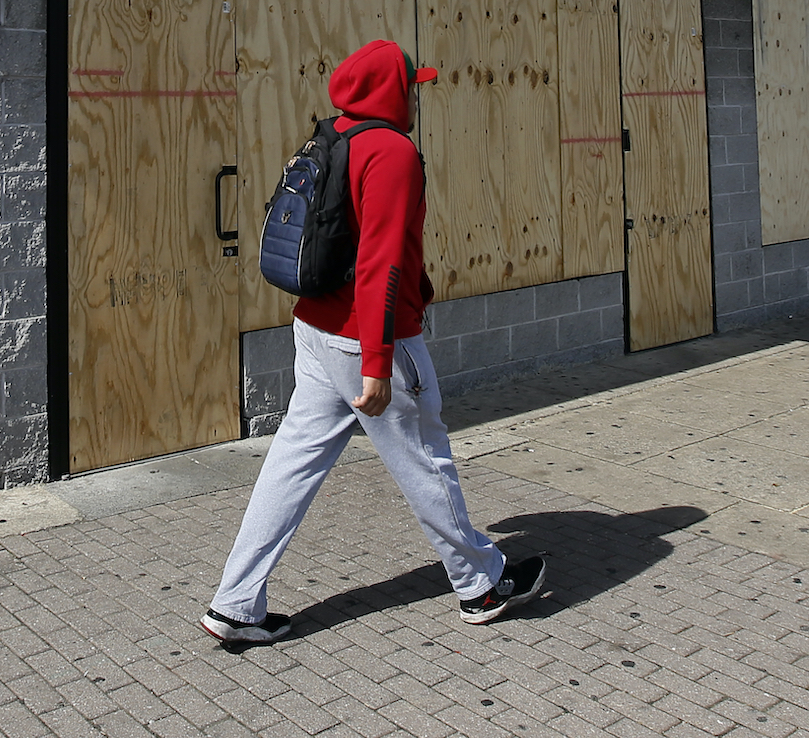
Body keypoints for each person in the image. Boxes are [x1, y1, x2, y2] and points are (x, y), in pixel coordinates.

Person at [201, 39, 549, 646]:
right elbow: (379, 262)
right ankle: (482, 584)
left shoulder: (333, 137)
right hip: (366, 338)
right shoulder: (391, 151)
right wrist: (379, 361)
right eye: (413, 86)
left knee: (290, 465)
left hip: (315, 330)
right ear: (395, 91)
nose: (417, 96)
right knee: (426, 459)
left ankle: (235, 603)